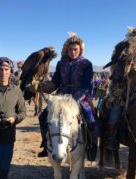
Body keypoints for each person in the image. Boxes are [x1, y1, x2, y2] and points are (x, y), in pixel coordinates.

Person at [36, 33, 98, 161]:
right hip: (61, 96)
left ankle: (91, 147)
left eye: (75, 49)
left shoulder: (87, 64)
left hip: (80, 96)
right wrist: (40, 86)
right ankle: (46, 145)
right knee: (43, 117)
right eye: (70, 49)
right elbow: (55, 83)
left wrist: (73, 101)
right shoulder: (60, 63)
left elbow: (86, 86)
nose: (73, 51)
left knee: (91, 119)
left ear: (80, 50)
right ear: (66, 49)